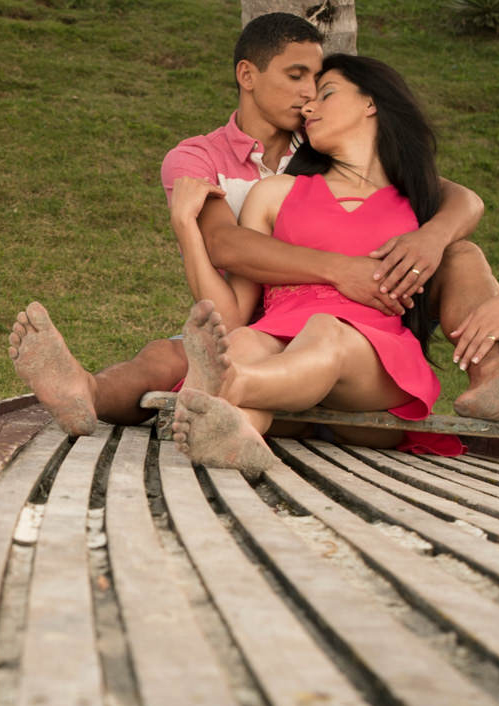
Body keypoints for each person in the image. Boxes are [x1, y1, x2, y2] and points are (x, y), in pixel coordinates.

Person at [8, 13, 499, 437]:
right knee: (166, 355)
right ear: (247, 75)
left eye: (319, 83)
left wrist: (433, 236)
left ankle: (494, 375)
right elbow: (228, 243)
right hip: (256, 318)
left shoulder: (332, 145)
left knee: (457, 256)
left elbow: (452, 197)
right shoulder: (201, 159)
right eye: (298, 76)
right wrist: (341, 270)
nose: (309, 94)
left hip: (347, 329)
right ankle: (86, 392)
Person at [171, 53, 464, 478]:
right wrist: (185, 225)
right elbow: (233, 313)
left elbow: (469, 204)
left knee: (324, 330)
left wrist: (435, 236)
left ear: (371, 103)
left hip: (373, 361)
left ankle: (230, 384)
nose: (308, 108)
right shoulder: (275, 193)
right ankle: (235, 437)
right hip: (281, 349)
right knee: (243, 344)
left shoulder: (419, 198)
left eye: (325, 94)